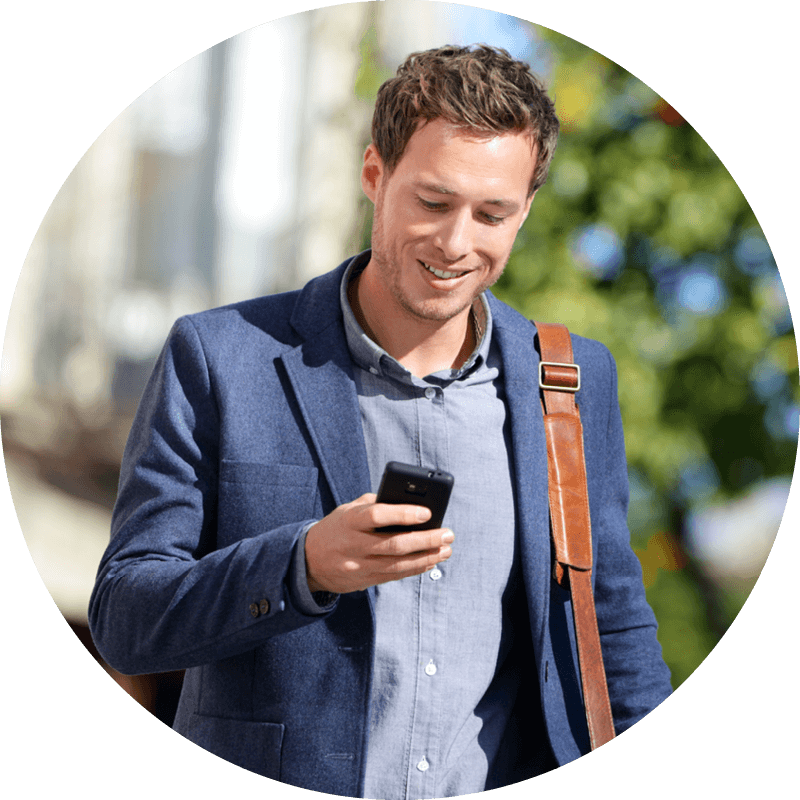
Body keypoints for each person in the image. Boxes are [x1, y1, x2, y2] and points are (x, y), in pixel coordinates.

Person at [89, 44, 672, 797]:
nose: (457, 243)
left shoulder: (570, 381)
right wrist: (302, 567)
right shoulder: (219, 357)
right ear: (376, 175)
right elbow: (125, 619)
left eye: (492, 214)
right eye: (433, 202)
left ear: (525, 209)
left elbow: (612, 628)